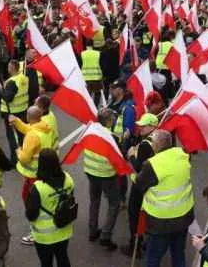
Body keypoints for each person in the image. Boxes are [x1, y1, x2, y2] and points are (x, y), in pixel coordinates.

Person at [135, 129, 194, 267]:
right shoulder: (182, 155)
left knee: (153, 257)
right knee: (178, 254)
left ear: (157, 145)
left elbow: (140, 184)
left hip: (161, 221)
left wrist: (133, 157)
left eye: (152, 142)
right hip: (184, 216)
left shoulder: (153, 164)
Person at [10, 106, 55, 245]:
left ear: (29, 118)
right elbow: (28, 129)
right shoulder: (44, 127)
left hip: (33, 176)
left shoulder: (32, 136)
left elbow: (24, 158)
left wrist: (18, 151)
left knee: (31, 204)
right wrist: (16, 121)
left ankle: (35, 232)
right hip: (44, 173)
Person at [25, 149, 74, 267]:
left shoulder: (38, 188)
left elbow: (31, 215)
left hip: (44, 237)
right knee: (63, 258)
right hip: (63, 229)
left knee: (46, 263)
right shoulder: (68, 179)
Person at [120, 112, 159, 258]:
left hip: (140, 185)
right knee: (146, 213)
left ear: (152, 126)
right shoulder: (159, 139)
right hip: (153, 184)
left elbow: (139, 168)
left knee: (134, 214)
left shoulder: (145, 144)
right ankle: (144, 240)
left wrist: (131, 155)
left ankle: (134, 245)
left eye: (144, 125)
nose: (140, 127)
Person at [82, 109, 120, 250]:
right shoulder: (111, 137)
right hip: (106, 174)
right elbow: (119, 158)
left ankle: (93, 231)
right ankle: (106, 235)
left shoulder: (91, 131)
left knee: (95, 200)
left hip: (90, 171)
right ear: (109, 121)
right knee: (114, 203)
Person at [0, 60, 31, 163]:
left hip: (11, 114)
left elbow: (8, 98)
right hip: (23, 110)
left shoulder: (12, 82)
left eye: (9, 67)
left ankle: (15, 160)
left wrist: (1, 90)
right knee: (22, 135)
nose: (7, 68)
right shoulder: (23, 78)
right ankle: (26, 154)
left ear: (12, 68)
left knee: (13, 138)